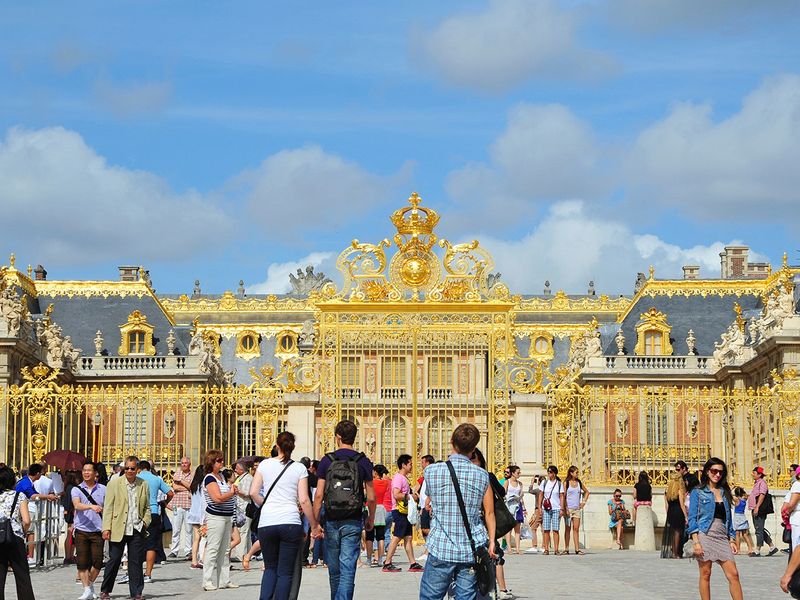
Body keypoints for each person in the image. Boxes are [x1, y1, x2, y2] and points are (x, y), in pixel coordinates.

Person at [419, 423, 496, 600]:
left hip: (441, 546)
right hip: (470, 549)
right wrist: (491, 542)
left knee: (430, 597)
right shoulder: (482, 475)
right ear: (474, 448)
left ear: (452, 441)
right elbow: (489, 513)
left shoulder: (431, 471)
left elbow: (430, 499)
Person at [250, 431, 320, 600]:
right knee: (285, 572)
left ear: (277, 446)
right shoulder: (299, 468)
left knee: (270, 568)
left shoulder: (265, 465)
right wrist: (314, 525)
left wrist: (266, 504)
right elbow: (304, 500)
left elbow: (253, 492)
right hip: (290, 521)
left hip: (267, 522)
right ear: (292, 447)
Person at [313, 419, 376, 600]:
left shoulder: (327, 460)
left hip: (331, 518)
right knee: (348, 568)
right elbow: (371, 497)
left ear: (338, 437)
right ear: (354, 438)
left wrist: (315, 523)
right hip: (353, 518)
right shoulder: (363, 461)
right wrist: (370, 518)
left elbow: (318, 495)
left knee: (334, 569)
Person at [687, 457, 743, 600]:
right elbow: (692, 517)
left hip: (721, 535)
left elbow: (728, 517)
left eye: (720, 472)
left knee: (734, 574)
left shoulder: (724, 491)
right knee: (706, 573)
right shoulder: (697, 492)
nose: (717, 474)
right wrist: (696, 541)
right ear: (707, 472)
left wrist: (731, 539)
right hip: (705, 534)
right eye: (714, 471)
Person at [100, 455, 151, 600]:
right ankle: (106, 590)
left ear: (137, 469)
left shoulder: (143, 484)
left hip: (136, 527)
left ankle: (136, 592)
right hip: (118, 527)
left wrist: (146, 522)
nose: (129, 471)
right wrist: (106, 528)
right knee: (114, 560)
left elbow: (147, 507)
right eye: (127, 468)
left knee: (135, 562)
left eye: (132, 468)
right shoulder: (114, 483)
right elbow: (108, 507)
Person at [471, 448, 513, 600]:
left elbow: (501, 492)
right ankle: (490, 589)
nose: (472, 464)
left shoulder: (486, 476)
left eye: (474, 460)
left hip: (487, 521)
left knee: (495, 554)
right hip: (475, 521)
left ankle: (500, 589)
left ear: (481, 461)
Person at [202, 450, 239, 591]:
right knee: (213, 548)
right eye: (219, 460)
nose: (221, 462)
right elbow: (217, 498)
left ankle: (224, 579)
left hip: (227, 516)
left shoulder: (222, 476)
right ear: (211, 462)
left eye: (222, 460)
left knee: (225, 549)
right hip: (216, 516)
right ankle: (207, 580)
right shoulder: (210, 478)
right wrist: (230, 493)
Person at [71, 461, 106, 600]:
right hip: (81, 529)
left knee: (98, 561)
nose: (86, 473)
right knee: (82, 561)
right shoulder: (76, 489)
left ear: (95, 473)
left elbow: (108, 507)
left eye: (89, 470)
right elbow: (77, 505)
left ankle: (90, 585)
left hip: (98, 529)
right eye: (84, 470)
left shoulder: (104, 489)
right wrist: (91, 506)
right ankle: (86, 589)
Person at [382, 454, 423, 572]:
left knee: (408, 537)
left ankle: (413, 563)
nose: (412, 466)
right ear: (403, 465)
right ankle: (388, 562)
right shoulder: (399, 478)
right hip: (399, 511)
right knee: (397, 537)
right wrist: (411, 496)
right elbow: (396, 494)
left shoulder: (403, 478)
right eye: (410, 464)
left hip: (405, 511)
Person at [0, 464, 35, 600]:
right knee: (22, 576)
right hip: (15, 538)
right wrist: (23, 532)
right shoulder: (19, 496)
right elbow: (26, 521)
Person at [137, 460, 174, 583]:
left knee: (135, 543)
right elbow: (170, 493)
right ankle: (148, 574)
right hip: (153, 511)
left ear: (139, 468)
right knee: (151, 545)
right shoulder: (156, 478)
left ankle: (133, 572)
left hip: (138, 513)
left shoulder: (135, 478)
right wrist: (165, 503)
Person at [15, 462, 57, 564]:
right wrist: (48, 496)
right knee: (30, 532)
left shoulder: (27, 481)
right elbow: (32, 495)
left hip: (25, 508)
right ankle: (30, 556)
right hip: (26, 509)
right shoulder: (26, 483)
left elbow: (35, 493)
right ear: (37, 473)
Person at [749, 466, 779, 556]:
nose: (753, 475)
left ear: (759, 474)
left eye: (754, 473)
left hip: (759, 509)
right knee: (760, 529)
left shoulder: (762, 483)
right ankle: (772, 547)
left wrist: (757, 507)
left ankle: (757, 550)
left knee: (759, 530)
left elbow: (762, 495)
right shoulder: (757, 483)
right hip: (755, 508)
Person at [168, 456, 193, 559]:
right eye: (182, 463)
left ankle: (188, 550)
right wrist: (186, 488)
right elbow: (174, 487)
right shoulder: (177, 473)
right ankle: (174, 550)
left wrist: (181, 482)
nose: (183, 465)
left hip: (188, 505)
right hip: (177, 505)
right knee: (176, 528)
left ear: (189, 464)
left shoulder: (193, 474)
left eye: (185, 463)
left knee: (189, 530)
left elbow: (192, 486)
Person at [780, 465, 800, 593]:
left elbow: (790, 504)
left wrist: (787, 575)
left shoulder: (797, 485)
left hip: (797, 518)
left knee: (796, 546)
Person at [537, 465, 564, 555]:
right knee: (546, 529)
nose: (549, 474)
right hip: (546, 508)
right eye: (548, 472)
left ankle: (556, 549)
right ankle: (546, 548)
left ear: (555, 473)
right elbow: (541, 494)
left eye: (551, 472)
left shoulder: (559, 483)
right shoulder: (544, 482)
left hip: (556, 507)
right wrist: (539, 507)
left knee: (556, 529)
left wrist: (562, 508)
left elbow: (561, 496)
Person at [563, 465, 589, 555]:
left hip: (576, 509)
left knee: (576, 529)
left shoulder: (579, 483)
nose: (578, 474)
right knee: (567, 529)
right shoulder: (566, 483)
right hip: (568, 508)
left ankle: (577, 549)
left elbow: (587, 492)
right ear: (571, 473)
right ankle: (566, 548)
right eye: (576, 472)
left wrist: (583, 502)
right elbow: (564, 496)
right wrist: (565, 507)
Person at [367, 464, 389, 567]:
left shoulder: (371, 483)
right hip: (381, 508)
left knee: (369, 536)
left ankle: (369, 559)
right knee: (381, 536)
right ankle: (380, 558)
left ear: (375, 472)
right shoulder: (385, 483)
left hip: (371, 507)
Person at [231, 460, 253, 563]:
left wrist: (238, 492)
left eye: (236, 468)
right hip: (240, 506)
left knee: (243, 531)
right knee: (245, 531)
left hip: (245, 506)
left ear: (241, 469)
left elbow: (248, 493)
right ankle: (247, 553)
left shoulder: (248, 478)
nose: (235, 470)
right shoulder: (239, 478)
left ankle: (240, 555)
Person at [664, 471, 688, 559]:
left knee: (673, 532)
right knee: (678, 532)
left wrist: (668, 514)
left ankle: (674, 551)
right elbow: (682, 505)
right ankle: (677, 552)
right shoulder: (679, 490)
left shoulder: (668, 491)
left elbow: (666, 504)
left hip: (671, 511)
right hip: (678, 511)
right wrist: (686, 516)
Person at [187, 464, 207, 569]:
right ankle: (202, 559)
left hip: (193, 513)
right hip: (202, 514)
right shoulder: (204, 485)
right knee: (205, 538)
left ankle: (194, 561)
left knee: (196, 539)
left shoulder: (193, 485)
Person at [415, 454, 435, 560]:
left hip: (429, 506)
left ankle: (429, 551)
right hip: (424, 505)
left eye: (423, 462)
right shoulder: (425, 475)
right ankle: (428, 551)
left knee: (426, 528)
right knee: (424, 529)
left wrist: (429, 504)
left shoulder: (431, 474)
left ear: (427, 463)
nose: (421, 464)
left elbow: (431, 491)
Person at [502, 465, 525, 555]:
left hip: (517, 506)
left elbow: (521, 496)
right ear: (512, 473)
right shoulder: (507, 482)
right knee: (508, 529)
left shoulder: (520, 484)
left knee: (517, 528)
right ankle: (509, 548)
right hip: (509, 506)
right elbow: (503, 494)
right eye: (517, 472)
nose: (519, 474)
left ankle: (518, 548)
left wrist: (523, 506)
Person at [61, 469, 80, 565]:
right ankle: (68, 556)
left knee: (71, 534)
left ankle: (69, 555)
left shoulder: (68, 487)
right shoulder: (72, 488)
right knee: (70, 534)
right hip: (72, 513)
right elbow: (69, 501)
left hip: (70, 512)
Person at [731, 487, 754, 556]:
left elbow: (730, 495)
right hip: (743, 517)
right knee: (745, 535)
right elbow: (747, 494)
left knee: (737, 535)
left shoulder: (736, 500)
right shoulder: (744, 499)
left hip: (737, 517)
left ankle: (738, 549)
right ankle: (750, 548)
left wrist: (732, 489)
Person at [525, 475, 543, 553]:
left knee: (533, 528)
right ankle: (544, 546)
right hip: (545, 510)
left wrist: (532, 483)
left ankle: (534, 545)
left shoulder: (538, 490)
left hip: (538, 510)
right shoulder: (546, 490)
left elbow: (530, 491)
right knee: (544, 529)